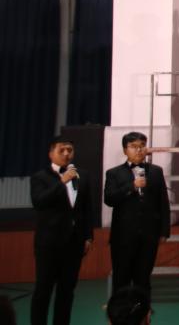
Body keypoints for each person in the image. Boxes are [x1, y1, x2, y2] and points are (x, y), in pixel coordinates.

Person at [30, 135, 93, 325]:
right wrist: (62, 182)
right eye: (61, 150)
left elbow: (86, 209)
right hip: (49, 243)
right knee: (43, 290)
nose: (66, 154)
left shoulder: (82, 175)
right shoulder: (40, 177)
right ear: (51, 153)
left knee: (67, 291)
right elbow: (39, 202)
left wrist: (88, 236)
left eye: (69, 150)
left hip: (74, 242)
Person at [103, 132, 170, 296]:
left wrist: (164, 231)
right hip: (123, 235)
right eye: (134, 146)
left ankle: (143, 309)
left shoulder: (156, 171)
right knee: (121, 277)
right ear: (125, 150)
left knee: (144, 277)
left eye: (142, 146)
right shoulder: (114, 173)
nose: (139, 150)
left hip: (149, 234)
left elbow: (163, 202)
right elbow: (109, 199)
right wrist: (132, 186)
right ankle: (121, 310)